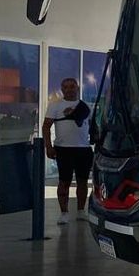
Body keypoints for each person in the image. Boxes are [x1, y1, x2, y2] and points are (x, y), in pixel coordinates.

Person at [41, 77, 93, 226]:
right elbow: (46, 127)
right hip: (63, 150)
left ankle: (81, 211)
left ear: (77, 88)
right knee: (64, 181)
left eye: (72, 86)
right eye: (66, 87)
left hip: (83, 149)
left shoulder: (86, 106)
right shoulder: (55, 106)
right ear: (62, 89)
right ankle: (64, 213)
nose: (69, 89)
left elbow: (93, 127)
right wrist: (48, 146)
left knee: (83, 181)